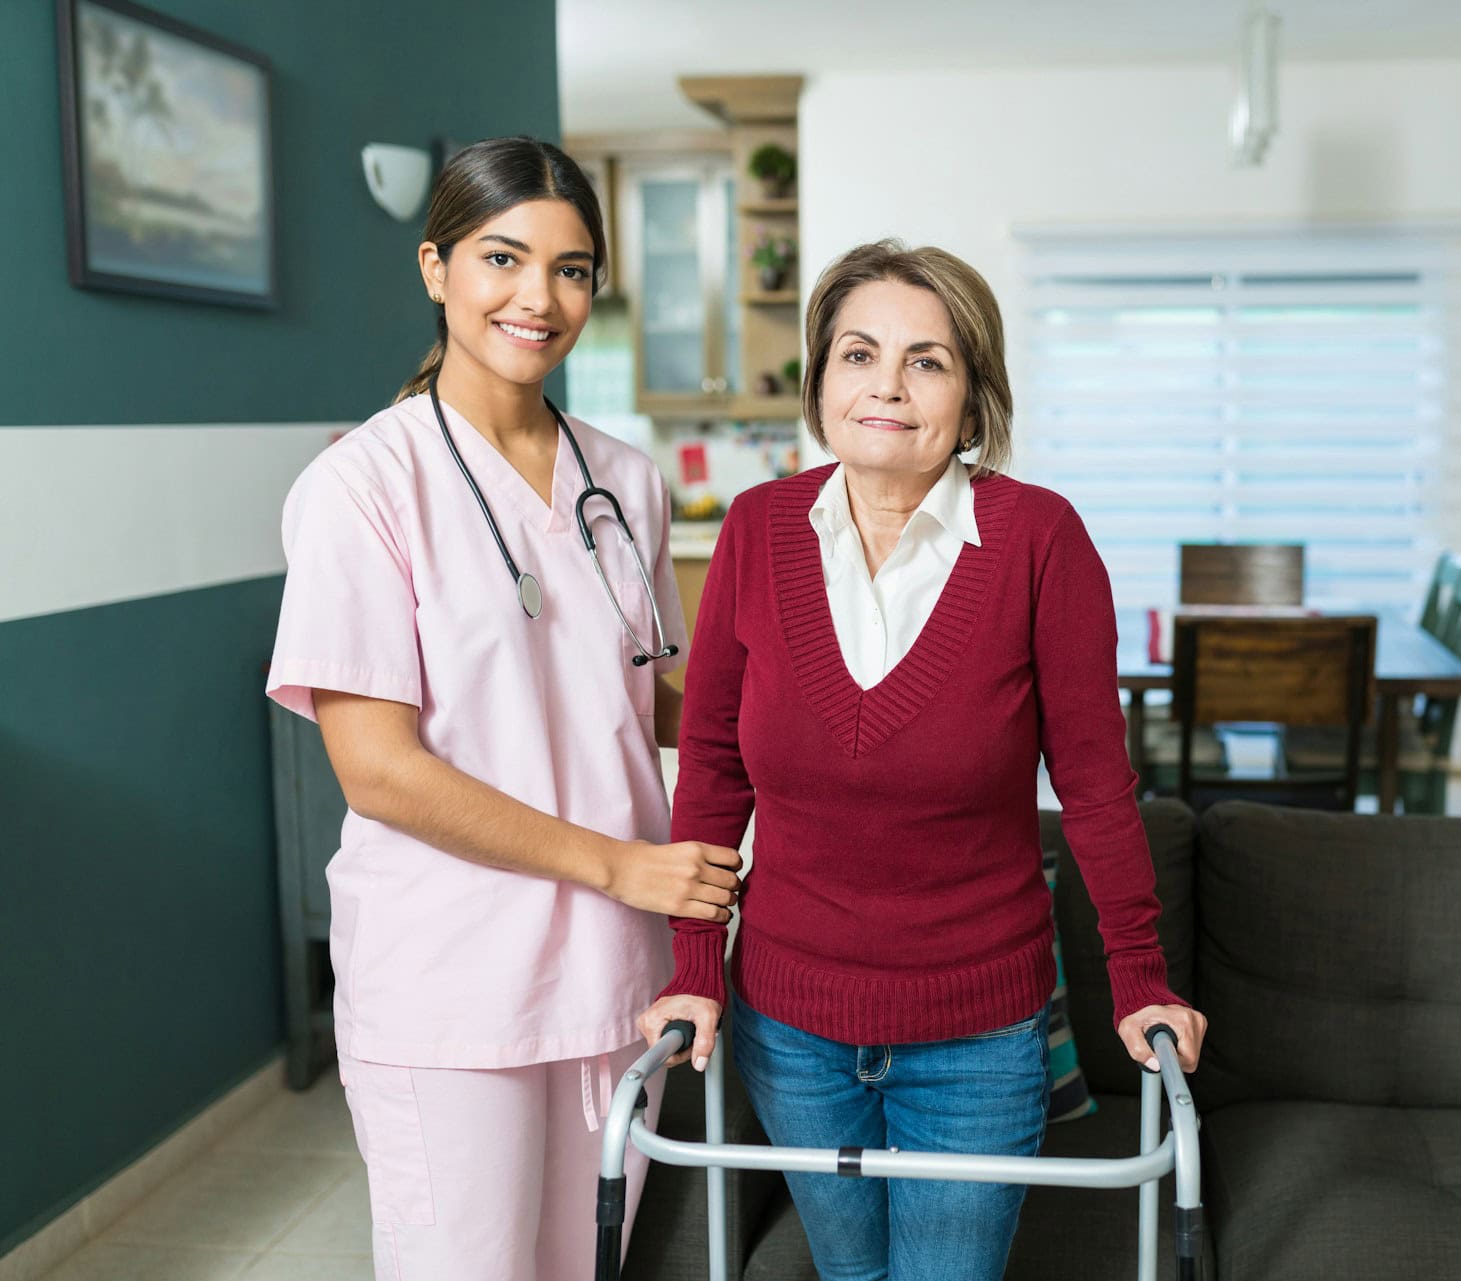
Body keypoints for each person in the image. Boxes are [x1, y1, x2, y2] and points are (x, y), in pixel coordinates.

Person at [640, 239, 1207, 1280]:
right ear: (818, 381)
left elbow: (1094, 786)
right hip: (791, 1028)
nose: (887, 387)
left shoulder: (1042, 540)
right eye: (858, 354)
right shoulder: (758, 533)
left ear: (973, 397)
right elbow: (714, 763)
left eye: (927, 361)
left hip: (978, 1032)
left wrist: (1141, 978)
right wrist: (692, 961)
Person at [265, 136, 740, 1281]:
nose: (539, 298)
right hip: (454, 978)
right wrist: (627, 866)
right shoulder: (361, 486)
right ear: (436, 269)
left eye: (572, 270)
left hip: (614, 976)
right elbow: (376, 767)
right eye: (501, 258)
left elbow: (640, 690)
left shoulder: (623, 478)